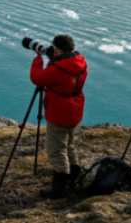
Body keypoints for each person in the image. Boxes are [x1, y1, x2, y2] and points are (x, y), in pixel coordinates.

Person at [29, 33, 88, 199]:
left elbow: (37, 78)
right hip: (75, 110)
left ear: (58, 49)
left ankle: (58, 191)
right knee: (69, 144)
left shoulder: (57, 69)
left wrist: (39, 59)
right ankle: (72, 179)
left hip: (59, 113)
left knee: (56, 150)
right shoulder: (80, 62)